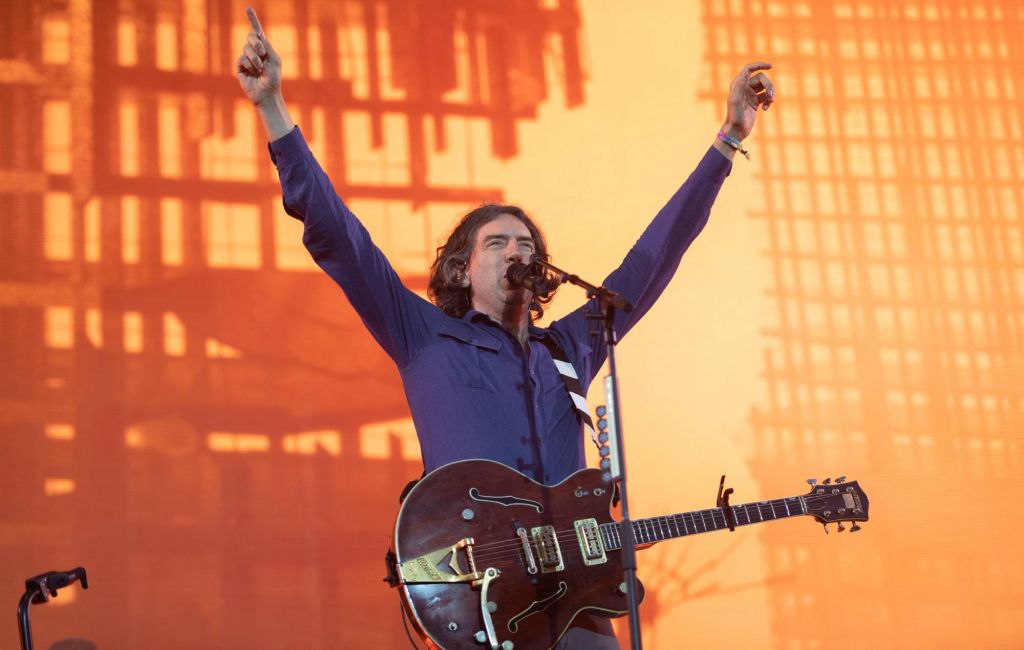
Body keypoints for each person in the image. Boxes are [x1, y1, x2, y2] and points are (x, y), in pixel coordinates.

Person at [236, 7, 773, 649]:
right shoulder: (424, 336)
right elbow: (338, 236)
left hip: (575, 607)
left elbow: (652, 260)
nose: (518, 252)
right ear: (462, 269)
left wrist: (728, 138)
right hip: (481, 598)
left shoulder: (569, 350)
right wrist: (274, 111)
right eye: (498, 243)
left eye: (527, 243)